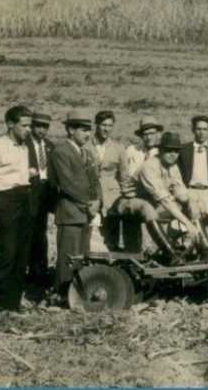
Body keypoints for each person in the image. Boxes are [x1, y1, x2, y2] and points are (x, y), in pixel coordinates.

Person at [0, 105, 34, 316]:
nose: (28, 129)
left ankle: (11, 304)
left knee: (22, 254)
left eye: (30, 125)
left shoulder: (24, 147)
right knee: (7, 253)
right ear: (10, 124)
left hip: (23, 200)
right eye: (24, 125)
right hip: (5, 202)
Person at [48, 109, 100, 296]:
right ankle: (61, 293)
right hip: (70, 213)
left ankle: (77, 293)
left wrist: (98, 201)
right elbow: (67, 184)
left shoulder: (88, 153)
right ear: (70, 130)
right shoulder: (60, 152)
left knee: (82, 257)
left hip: (86, 213)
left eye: (89, 130)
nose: (87, 134)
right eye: (83, 129)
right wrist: (89, 203)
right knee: (67, 257)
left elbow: (95, 181)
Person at [135, 132, 207, 262]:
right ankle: (171, 255)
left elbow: (181, 192)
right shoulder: (149, 167)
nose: (173, 154)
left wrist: (192, 200)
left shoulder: (173, 167)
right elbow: (165, 201)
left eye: (176, 151)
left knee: (194, 204)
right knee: (149, 209)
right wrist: (188, 223)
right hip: (131, 204)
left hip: (153, 205)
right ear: (161, 150)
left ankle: (205, 251)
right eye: (169, 150)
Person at [106, 116, 163, 252]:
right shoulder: (132, 151)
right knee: (130, 224)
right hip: (133, 197)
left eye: (152, 134)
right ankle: (133, 258)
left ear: (158, 134)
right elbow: (123, 174)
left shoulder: (163, 153)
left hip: (155, 199)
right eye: (145, 134)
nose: (148, 137)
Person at [26, 112, 56, 288]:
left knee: (41, 233)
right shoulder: (24, 145)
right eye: (38, 126)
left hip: (45, 194)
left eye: (45, 127)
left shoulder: (50, 146)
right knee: (29, 233)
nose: (42, 130)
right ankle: (30, 272)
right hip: (30, 194)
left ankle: (40, 272)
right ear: (31, 126)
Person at [87, 110, 123, 253]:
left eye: (110, 125)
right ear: (96, 125)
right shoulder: (85, 145)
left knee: (110, 231)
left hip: (111, 197)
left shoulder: (118, 148)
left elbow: (124, 176)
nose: (106, 129)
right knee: (91, 231)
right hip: (91, 194)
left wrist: (123, 197)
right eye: (103, 125)